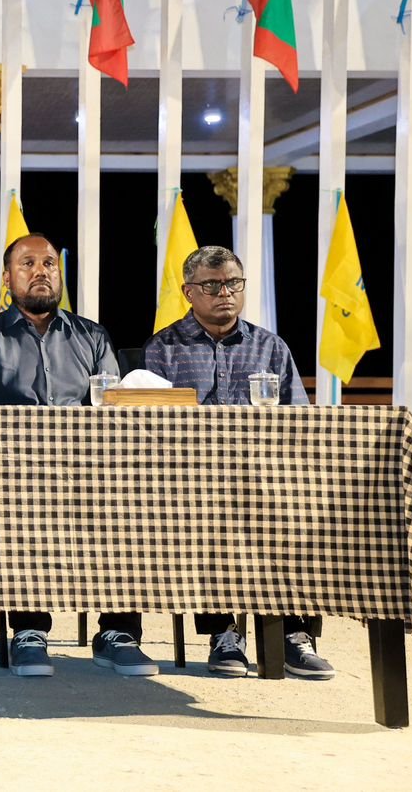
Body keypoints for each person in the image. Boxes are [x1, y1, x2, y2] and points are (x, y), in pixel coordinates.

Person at [0, 233, 154, 678]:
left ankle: (118, 633)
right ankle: (29, 632)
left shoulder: (92, 335)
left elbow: (113, 410)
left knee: (129, 503)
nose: (41, 271)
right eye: (27, 263)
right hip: (14, 474)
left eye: (49, 263)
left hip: (88, 471)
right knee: (20, 505)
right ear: (7, 278)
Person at [142, 245, 332, 680]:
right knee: (209, 515)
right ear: (189, 292)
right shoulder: (163, 349)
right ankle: (223, 633)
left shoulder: (271, 347)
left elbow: (298, 422)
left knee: (296, 514)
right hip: (191, 483)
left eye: (233, 283)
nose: (225, 292)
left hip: (265, 479)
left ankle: (291, 632)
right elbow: (150, 431)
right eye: (212, 285)